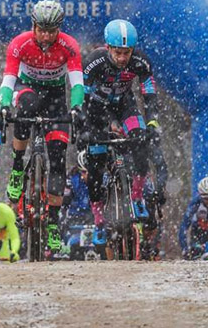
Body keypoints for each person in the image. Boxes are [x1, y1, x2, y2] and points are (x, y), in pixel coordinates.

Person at [0, 0, 84, 253]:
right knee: (26, 107)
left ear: (59, 28)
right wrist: (4, 104)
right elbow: (8, 78)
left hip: (56, 96)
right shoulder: (20, 43)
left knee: (57, 159)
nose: (46, 36)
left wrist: (77, 107)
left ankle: (54, 222)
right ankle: (17, 166)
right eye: (42, 29)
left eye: (51, 30)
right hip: (26, 89)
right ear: (33, 26)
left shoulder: (69, 46)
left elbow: (77, 82)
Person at [79, 19, 165, 245]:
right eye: (117, 52)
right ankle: (98, 221)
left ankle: (136, 197)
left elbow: (149, 96)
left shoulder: (141, 62)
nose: (122, 58)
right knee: (95, 163)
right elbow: (83, 99)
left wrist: (153, 124)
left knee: (141, 141)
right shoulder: (93, 62)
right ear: (108, 47)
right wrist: (85, 128)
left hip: (124, 104)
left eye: (126, 53)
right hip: (96, 109)